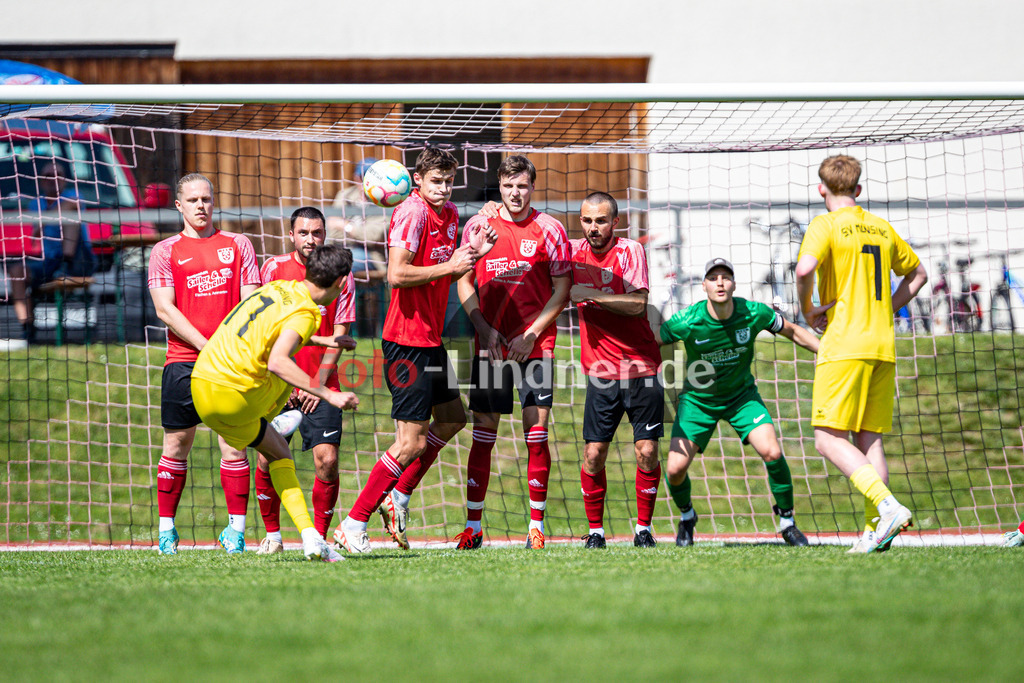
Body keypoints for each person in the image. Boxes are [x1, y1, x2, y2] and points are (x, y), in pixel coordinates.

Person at [332, 148, 496, 554]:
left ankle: (398, 495)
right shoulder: (412, 213)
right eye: (435, 181)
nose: (443, 188)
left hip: (429, 339)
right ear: (417, 181)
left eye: (448, 180)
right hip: (405, 341)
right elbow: (396, 275)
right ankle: (352, 525)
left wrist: (473, 252)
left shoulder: (451, 215)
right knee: (410, 444)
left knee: (454, 417)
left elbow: (454, 262)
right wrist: (453, 266)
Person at [191, 243, 360, 562]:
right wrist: (330, 394)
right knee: (285, 371)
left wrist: (322, 339)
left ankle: (311, 540)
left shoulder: (280, 288)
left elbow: (271, 330)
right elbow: (279, 361)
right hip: (236, 396)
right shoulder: (307, 311)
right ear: (340, 283)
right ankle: (274, 418)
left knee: (279, 451)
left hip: (201, 388)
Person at [795, 154, 928, 553]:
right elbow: (919, 274)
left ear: (821, 189)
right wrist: (885, 307)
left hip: (845, 344)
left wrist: (807, 309)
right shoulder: (881, 227)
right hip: (883, 345)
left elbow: (803, 270)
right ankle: (878, 531)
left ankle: (887, 507)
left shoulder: (825, 224)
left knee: (826, 439)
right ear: (858, 189)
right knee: (869, 440)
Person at [451, 154, 570, 551]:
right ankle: (473, 527)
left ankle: (535, 527)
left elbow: (562, 287)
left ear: (532, 187)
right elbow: (463, 282)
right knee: (483, 435)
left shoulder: (549, 228)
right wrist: (484, 330)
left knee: (537, 435)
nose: (515, 193)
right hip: (492, 347)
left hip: (536, 346)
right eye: (508, 186)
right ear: (499, 188)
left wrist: (533, 334)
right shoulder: (479, 226)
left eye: (522, 186)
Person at [661, 257, 820, 547]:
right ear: (704, 285)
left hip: (741, 397)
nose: (720, 283)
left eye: (725, 277)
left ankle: (787, 522)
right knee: (674, 470)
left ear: (734, 283)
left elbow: (793, 331)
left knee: (772, 451)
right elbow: (649, 341)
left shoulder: (753, 313)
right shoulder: (686, 321)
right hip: (698, 401)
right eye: (713, 278)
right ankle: (687, 517)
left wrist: (825, 352)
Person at [148, 173, 260, 555]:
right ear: (179, 206)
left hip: (231, 364)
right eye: (192, 200)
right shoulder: (164, 251)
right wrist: (207, 345)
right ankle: (166, 532)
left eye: (206, 199)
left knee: (234, 445)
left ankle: (236, 532)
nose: (201, 206)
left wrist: (226, 350)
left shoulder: (239, 244)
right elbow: (165, 309)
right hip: (183, 361)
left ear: (214, 202)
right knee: (177, 444)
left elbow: (250, 304)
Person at [253, 206, 357, 554]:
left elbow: (340, 333)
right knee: (267, 457)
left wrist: (318, 384)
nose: (310, 239)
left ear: (324, 234)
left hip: (322, 381)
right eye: (303, 233)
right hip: (277, 382)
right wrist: (294, 383)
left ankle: (320, 538)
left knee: (327, 460)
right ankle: (274, 536)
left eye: (317, 233)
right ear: (291, 235)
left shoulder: (341, 272)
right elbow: (264, 327)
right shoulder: (273, 269)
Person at [569, 192, 664, 549]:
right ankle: (595, 532)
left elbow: (638, 305)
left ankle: (643, 529)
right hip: (601, 372)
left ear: (616, 222)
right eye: (587, 221)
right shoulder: (572, 253)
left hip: (643, 367)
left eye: (601, 221)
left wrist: (590, 294)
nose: (594, 228)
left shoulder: (629, 252)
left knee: (647, 451)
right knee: (593, 454)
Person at [8, 161, 97, 342]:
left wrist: (44, 220)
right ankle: (28, 328)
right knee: (17, 271)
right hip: (50, 262)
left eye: (58, 176)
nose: (53, 180)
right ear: (41, 181)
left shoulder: (73, 195)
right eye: (49, 176)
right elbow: (34, 233)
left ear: (64, 180)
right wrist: (44, 221)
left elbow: (70, 206)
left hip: (79, 261)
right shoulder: (36, 204)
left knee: (70, 220)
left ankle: (66, 263)